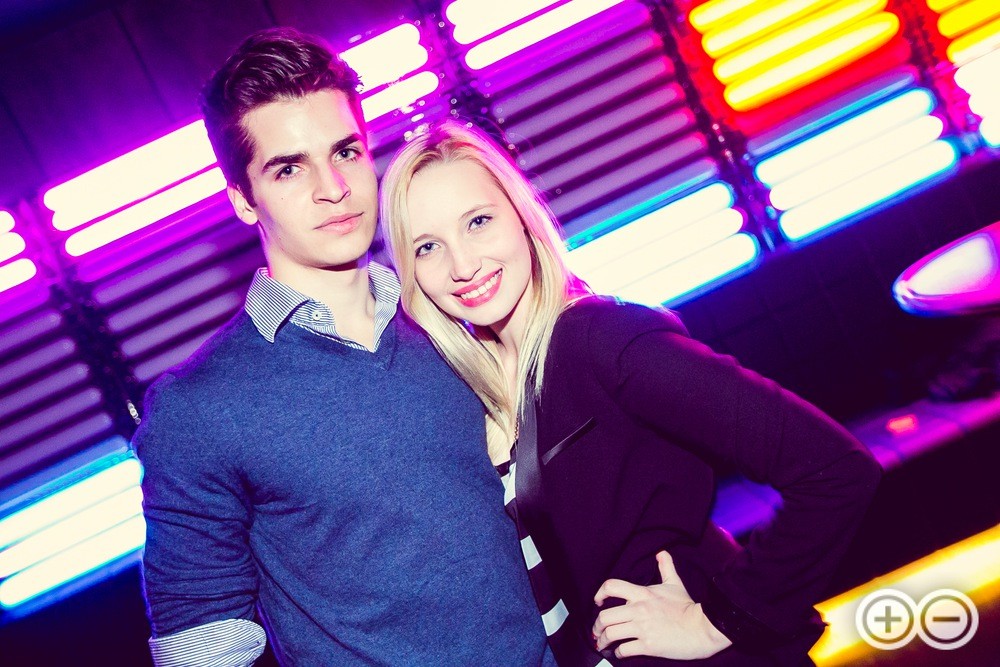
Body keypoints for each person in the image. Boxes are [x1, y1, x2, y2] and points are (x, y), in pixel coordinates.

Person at [380, 120, 883, 666]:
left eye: (478, 221)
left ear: (521, 217)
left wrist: (718, 619)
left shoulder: (603, 340)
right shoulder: (467, 390)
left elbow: (835, 469)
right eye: (428, 247)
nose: (462, 265)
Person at [133, 31, 553, 666]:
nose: (333, 187)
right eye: (289, 168)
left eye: (346, 151)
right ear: (243, 200)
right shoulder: (198, 409)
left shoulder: (459, 317)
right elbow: (202, 649)